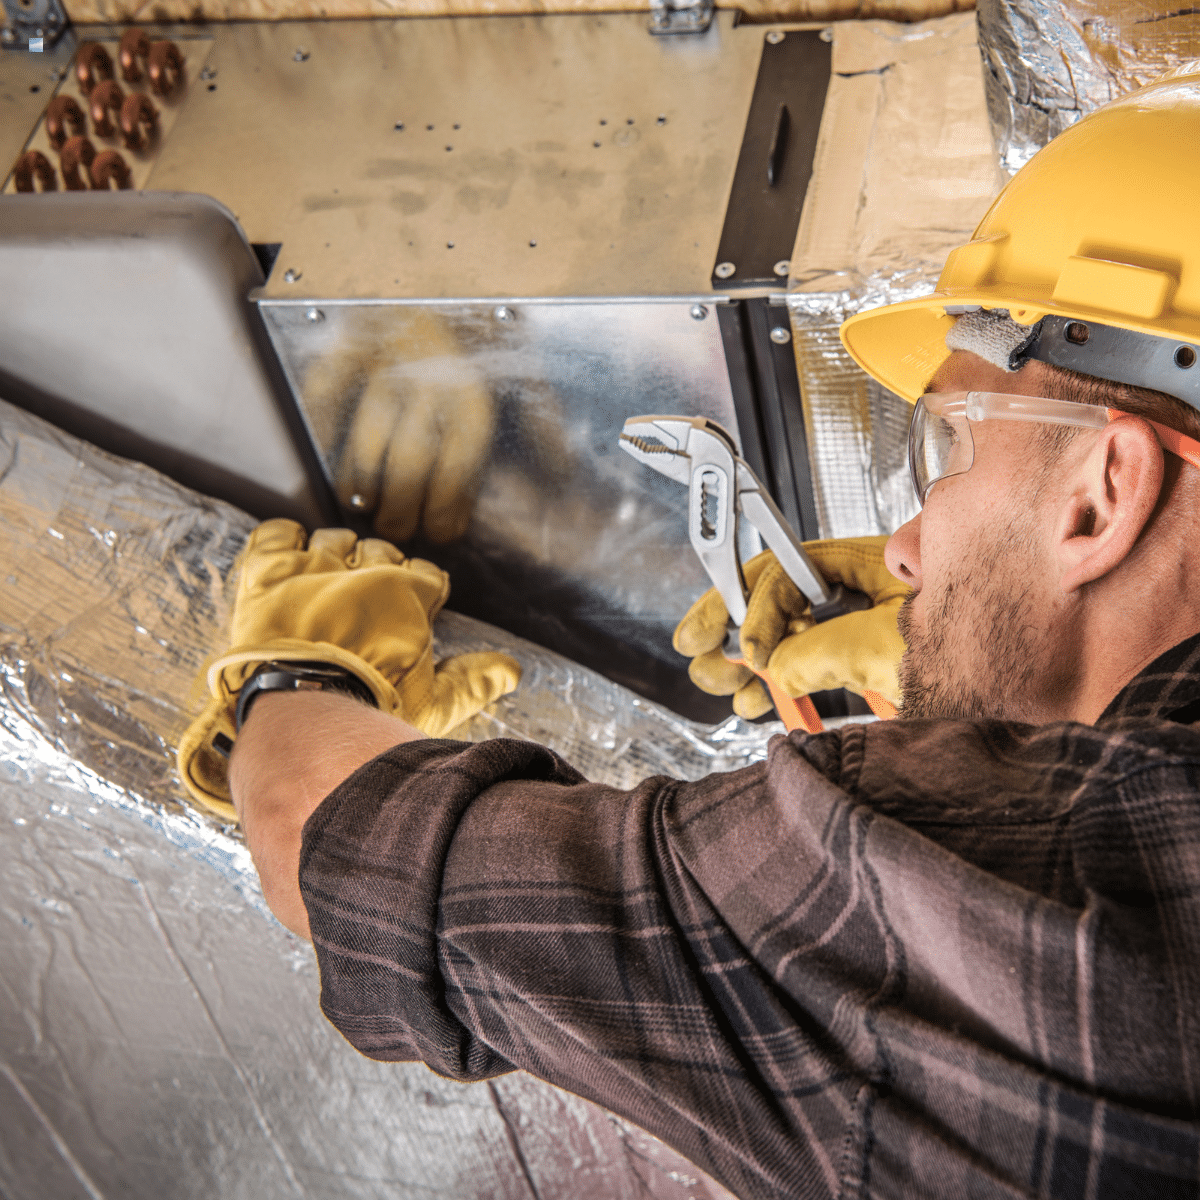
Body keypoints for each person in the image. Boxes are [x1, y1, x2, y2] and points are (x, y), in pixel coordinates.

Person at [180, 73, 1200, 1198]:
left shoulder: (1009, 873)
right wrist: (1001, 645)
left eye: (944, 452)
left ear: (1102, 496)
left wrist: (294, 666)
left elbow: (323, 840)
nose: (904, 543)